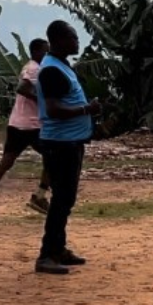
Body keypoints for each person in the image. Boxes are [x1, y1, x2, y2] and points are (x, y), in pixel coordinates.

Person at [33, 20, 101, 275]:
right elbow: (53, 109)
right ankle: (46, 255)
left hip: (70, 141)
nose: (77, 41)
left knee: (66, 198)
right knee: (61, 199)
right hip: (60, 143)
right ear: (59, 40)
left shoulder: (61, 66)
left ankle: (58, 249)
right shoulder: (51, 70)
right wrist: (87, 109)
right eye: (72, 37)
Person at [0, 38, 52, 223]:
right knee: (54, 156)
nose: (48, 55)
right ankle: (39, 195)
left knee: (6, 162)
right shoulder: (35, 69)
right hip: (32, 125)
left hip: (17, 123)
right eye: (46, 52)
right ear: (37, 52)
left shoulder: (29, 66)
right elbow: (22, 88)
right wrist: (43, 101)